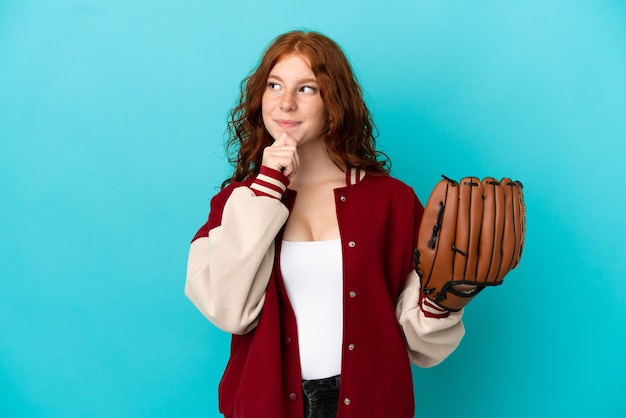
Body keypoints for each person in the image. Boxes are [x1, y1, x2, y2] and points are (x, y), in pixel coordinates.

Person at [185, 30, 465, 418]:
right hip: (267, 404)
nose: (285, 102)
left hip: (372, 404)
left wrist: (446, 300)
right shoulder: (238, 202)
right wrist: (267, 186)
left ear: (334, 102)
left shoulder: (392, 201)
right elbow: (229, 310)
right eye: (274, 85)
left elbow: (420, 345)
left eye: (307, 89)